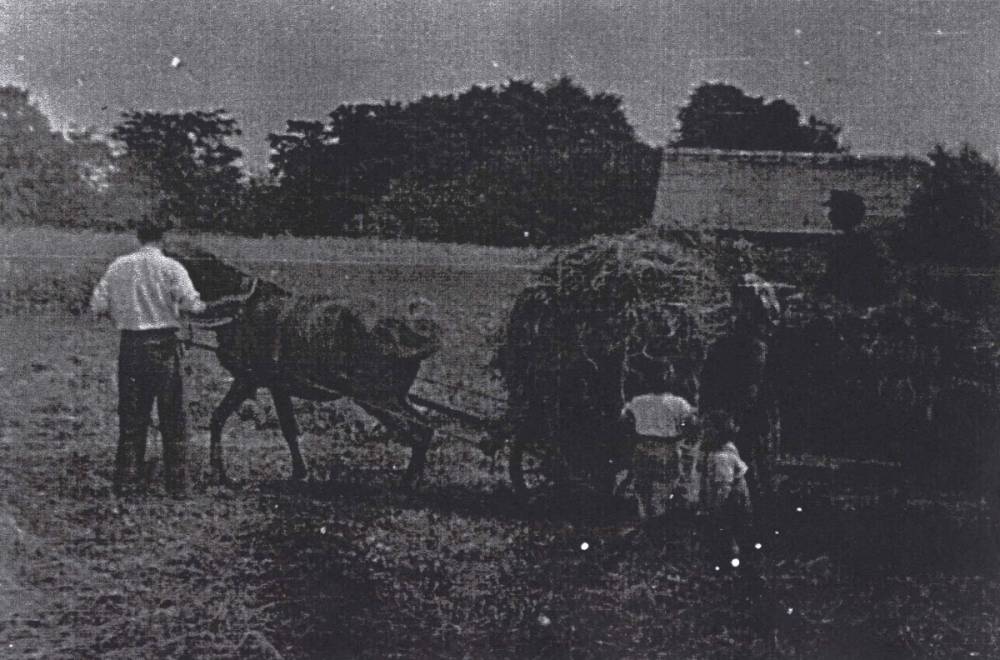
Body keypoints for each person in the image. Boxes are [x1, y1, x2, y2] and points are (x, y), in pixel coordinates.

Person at [90, 217, 206, 497]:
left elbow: (97, 305)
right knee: (173, 417)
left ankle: (126, 483)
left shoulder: (118, 266)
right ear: (163, 238)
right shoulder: (171, 267)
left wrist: (124, 312)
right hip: (164, 348)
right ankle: (178, 486)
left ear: (138, 237)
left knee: (132, 416)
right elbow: (192, 305)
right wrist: (201, 306)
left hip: (131, 347)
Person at [699, 411, 752, 563]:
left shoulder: (722, 456)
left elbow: (724, 486)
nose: (703, 433)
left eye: (707, 429)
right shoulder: (722, 449)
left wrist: (714, 506)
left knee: (727, 530)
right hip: (730, 495)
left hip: (729, 500)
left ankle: (730, 560)